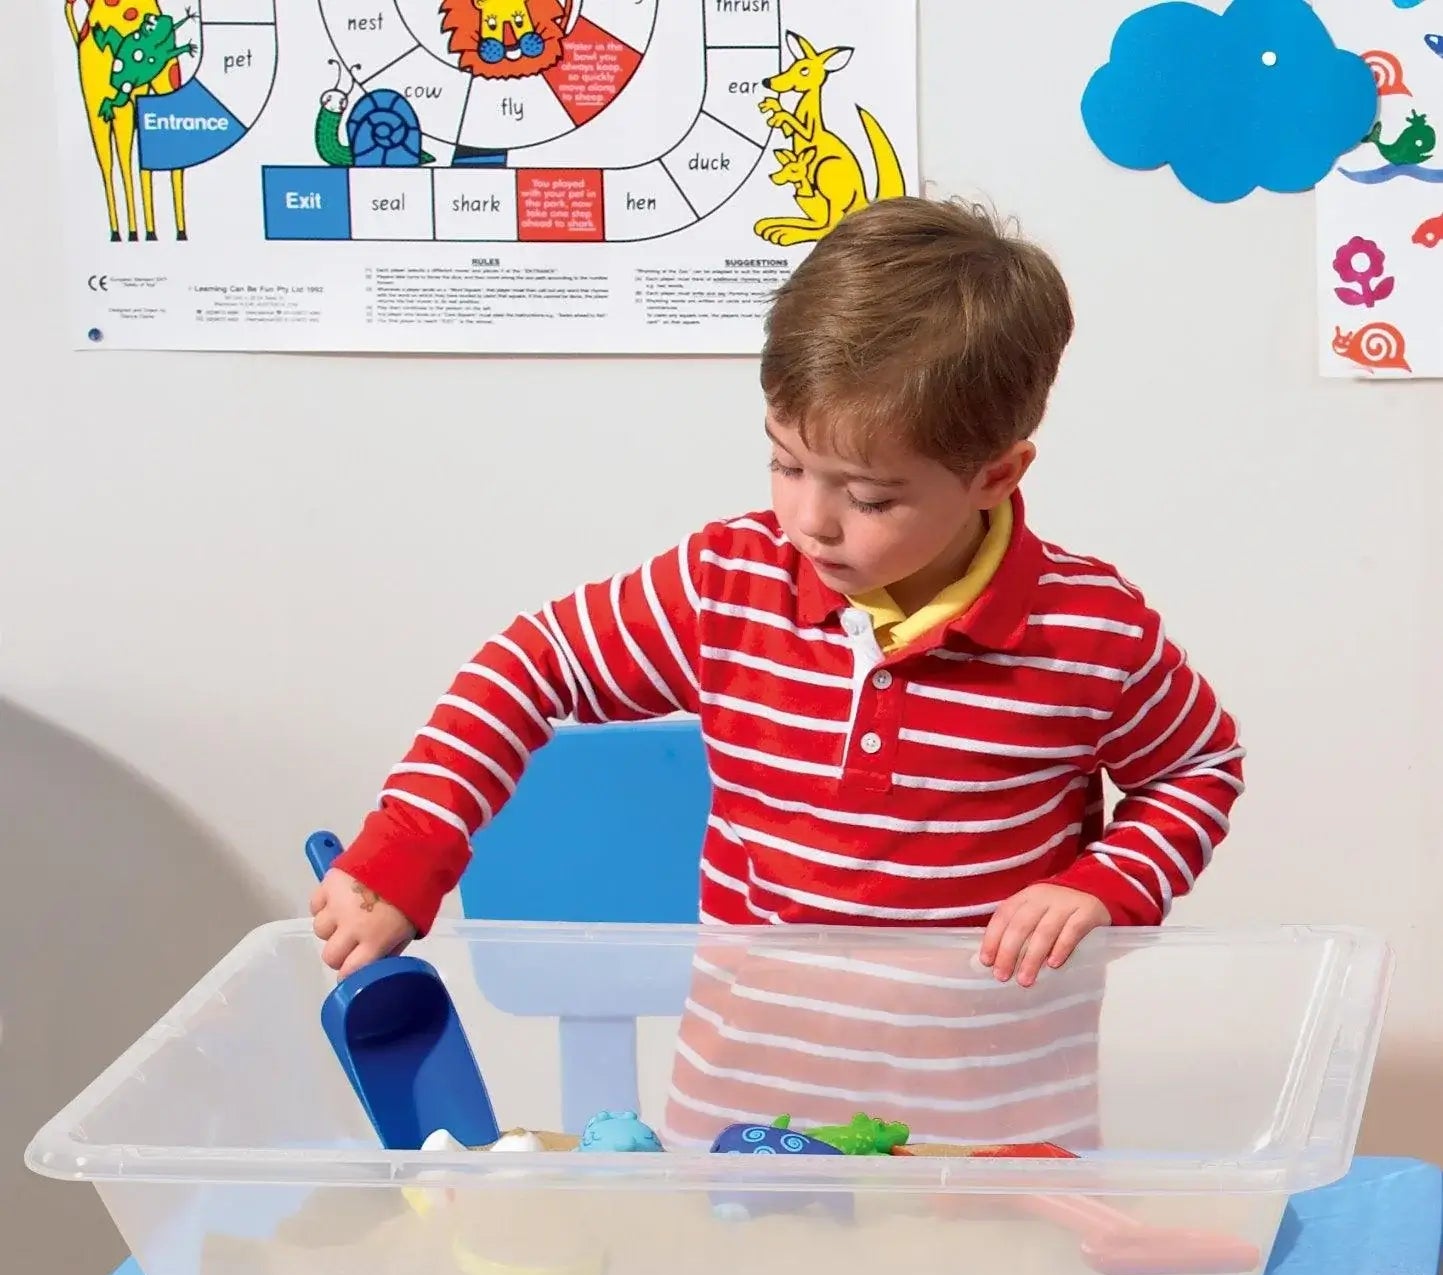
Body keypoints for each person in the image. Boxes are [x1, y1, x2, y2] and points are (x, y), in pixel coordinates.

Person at [310, 196, 1244, 1031]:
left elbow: (1197, 767)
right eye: (786, 463)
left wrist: (1102, 887)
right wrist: (410, 844)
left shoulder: (1090, 629)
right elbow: (529, 662)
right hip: (751, 1085)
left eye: (869, 497)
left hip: (995, 1101)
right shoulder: (728, 579)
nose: (808, 520)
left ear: (994, 474)